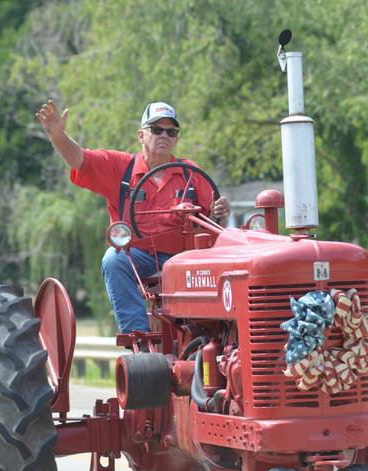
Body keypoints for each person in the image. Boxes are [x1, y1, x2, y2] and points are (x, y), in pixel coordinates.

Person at [36, 100, 230, 334]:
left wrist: (221, 212)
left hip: (184, 257)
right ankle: (138, 337)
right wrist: (58, 135)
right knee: (113, 260)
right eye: (156, 130)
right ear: (141, 136)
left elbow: (213, 223)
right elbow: (79, 160)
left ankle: (215, 334)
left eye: (171, 132)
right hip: (140, 256)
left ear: (176, 139)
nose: (164, 136)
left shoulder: (190, 172)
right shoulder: (120, 168)